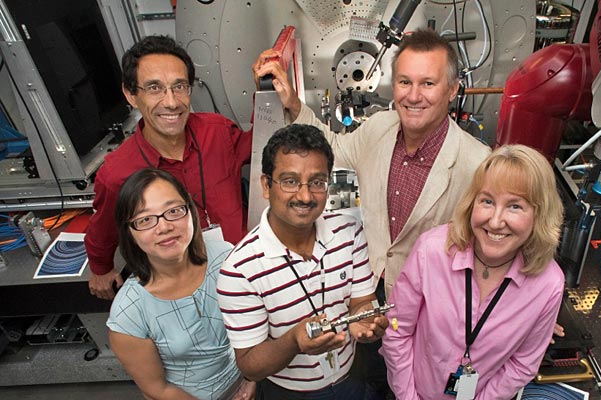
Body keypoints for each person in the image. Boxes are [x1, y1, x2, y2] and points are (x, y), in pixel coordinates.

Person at [254, 28, 492, 298]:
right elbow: (333, 147)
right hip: (367, 291)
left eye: (428, 84)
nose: (413, 96)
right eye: (405, 82)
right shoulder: (379, 127)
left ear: (452, 90)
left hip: (430, 303)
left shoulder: (477, 163)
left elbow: (495, 243)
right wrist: (292, 103)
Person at [216, 124, 388, 399]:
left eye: (317, 182)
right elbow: (250, 364)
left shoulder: (349, 232)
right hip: (291, 392)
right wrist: (293, 342)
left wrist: (365, 322)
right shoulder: (239, 270)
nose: (305, 196)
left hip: (351, 376)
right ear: (266, 185)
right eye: (290, 181)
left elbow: (361, 302)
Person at [382, 144, 565, 400]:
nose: (496, 221)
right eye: (487, 201)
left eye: (515, 206)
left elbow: (523, 364)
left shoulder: (549, 284)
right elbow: (396, 330)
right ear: (472, 203)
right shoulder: (432, 250)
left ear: (540, 215)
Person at [86, 35, 252, 300]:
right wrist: (101, 268)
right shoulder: (117, 174)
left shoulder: (217, 132)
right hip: (184, 292)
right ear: (131, 94)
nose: (172, 102)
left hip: (245, 272)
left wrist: (271, 97)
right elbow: (101, 232)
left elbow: (261, 146)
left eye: (179, 87)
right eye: (154, 88)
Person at [106, 168, 255, 400]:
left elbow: (255, 324)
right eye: (145, 219)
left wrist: (251, 379)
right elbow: (157, 388)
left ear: (190, 211)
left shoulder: (224, 257)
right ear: (129, 232)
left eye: (174, 211)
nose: (164, 227)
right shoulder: (129, 314)